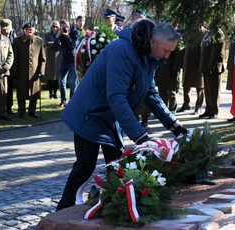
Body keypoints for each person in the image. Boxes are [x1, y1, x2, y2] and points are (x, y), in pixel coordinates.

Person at [56, 19, 187, 211]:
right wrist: (140, 136)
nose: (167, 56)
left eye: (170, 52)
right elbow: (116, 97)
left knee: (117, 165)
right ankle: (63, 210)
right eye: (166, 50)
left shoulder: (149, 57)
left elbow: (151, 93)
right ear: (152, 41)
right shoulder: (122, 50)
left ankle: (112, 205)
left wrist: (175, 126)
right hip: (90, 113)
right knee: (85, 164)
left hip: (109, 117)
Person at [12, 23, 46, 118]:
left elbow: (43, 59)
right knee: (21, 93)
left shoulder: (39, 41)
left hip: (35, 72)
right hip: (21, 72)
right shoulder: (17, 41)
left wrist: (41, 71)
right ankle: (21, 111)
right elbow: (14, 58)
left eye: (30, 29)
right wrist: (14, 73)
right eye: (27, 29)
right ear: (23, 30)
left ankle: (32, 111)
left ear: (34, 30)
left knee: (34, 92)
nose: (29, 31)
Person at [198, 23, 225, 119]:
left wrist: (210, 66)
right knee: (208, 90)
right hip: (206, 67)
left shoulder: (218, 33)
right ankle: (208, 109)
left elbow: (216, 51)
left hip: (213, 68)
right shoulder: (209, 33)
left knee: (214, 90)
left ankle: (214, 110)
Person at [177, 26, 207, 114]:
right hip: (188, 62)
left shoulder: (205, 33)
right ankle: (186, 104)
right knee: (186, 84)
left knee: (200, 86)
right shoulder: (188, 33)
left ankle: (199, 106)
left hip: (198, 62)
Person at [54, 19, 79, 108]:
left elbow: (73, 46)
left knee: (72, 83)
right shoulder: (59, 32)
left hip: (73, 61)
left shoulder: (75, 32)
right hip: (64, 60)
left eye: (67, 27)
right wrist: (57, 37)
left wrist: (67, 36)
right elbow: (55, 47)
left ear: (69, 25)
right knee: (61, 82)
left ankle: (72, 102)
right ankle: (63, 101)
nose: (65, 29)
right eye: (63, 27)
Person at [155, 45, 184, 114]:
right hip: (160, 68)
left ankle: (172, 108)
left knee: (171, 90)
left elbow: (178, 55)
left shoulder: (175, 38)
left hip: (170, 68)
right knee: (161, 90)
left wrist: (175, 68)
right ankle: (163, 108)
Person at [0, 18, 17, 115]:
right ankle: (0, 109)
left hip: (10, 66)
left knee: (9, 88)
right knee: (0, 89)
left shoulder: (14, 36)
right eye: (3, 29)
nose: (5, 31)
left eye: (7, 29)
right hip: (0, 66)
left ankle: (9, 108)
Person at [44, 20, 60, 99]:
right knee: (50, 76)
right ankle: (50, 94)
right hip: (50, 57)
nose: (55, 28)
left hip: (58, 56)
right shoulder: (47, 34)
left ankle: (55, 94)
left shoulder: (60, 35)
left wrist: (53, 43)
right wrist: (55, 43)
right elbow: (46, 44)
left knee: (57, 76)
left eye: (56, 26)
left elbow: (61, 45)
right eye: (53, 26)